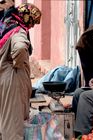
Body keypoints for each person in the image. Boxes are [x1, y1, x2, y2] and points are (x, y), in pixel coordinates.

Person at [0, 3, 41, 140]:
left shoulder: (6, 25)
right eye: (33, 22)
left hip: (3, 78)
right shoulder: (18, 31)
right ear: (27, 18)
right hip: (12, 81)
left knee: (4, 120)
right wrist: (18, 64)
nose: (32, 26)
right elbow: (20, 48)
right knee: (13, 124)